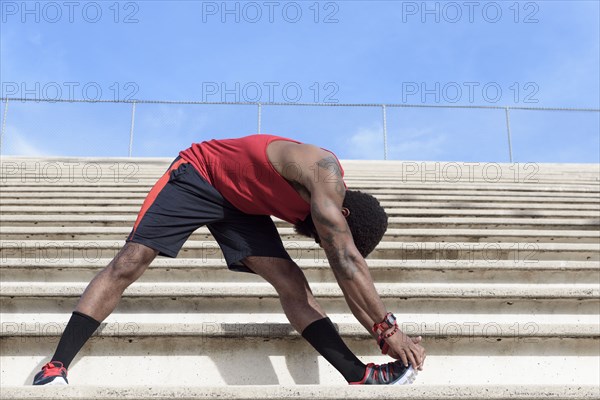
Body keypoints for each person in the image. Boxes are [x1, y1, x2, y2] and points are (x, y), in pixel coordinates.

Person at [32, 134, 426, 386]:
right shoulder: (324, 176)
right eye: (336, 238)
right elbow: (345, 260)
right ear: (344, 218)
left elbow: (345, 266)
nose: (326, 244)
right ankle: (56, 366)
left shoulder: (328, 214)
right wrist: (390, 330)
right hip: (200, 174)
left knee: (292, 282)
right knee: (130, 261)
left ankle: (357, 375)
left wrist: (379, 331)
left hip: (241, 205)